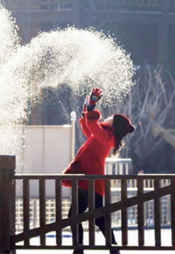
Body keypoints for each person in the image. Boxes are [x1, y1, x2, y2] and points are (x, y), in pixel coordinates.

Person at [62, 87, 135, 254]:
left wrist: (91, 109)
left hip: (93, 183)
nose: (108, 117)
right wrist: (88, 108)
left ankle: (111, 248)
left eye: (111, 117)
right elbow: (89, 129)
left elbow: (93, 126)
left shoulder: (107, 137)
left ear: (114, 124)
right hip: (85, 181)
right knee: (76, 217)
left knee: (97, 218)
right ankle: (80, 248)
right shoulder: (103, 135)